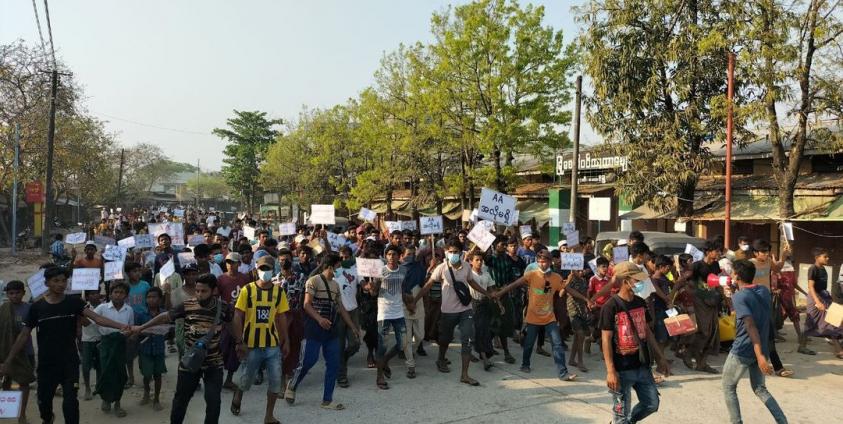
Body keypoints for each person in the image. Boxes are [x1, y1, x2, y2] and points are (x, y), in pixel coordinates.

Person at [0, 266, 131, 424]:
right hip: (47, 364)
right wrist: (8, 361)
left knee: (71, 403)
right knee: (44, 402)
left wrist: (124, 326)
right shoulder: (37, 307)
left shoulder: (74, 302)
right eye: (56, 281)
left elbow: (97, 319)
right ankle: (48, 418)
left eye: (64, 280)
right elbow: (24, 335)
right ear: (46, 283)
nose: (61, 284)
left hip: (69, 362)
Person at [131, 273, 234, 424]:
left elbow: (231, 324)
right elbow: (165, 317)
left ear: (214, 291)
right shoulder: (187, 305)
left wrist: (240, 342)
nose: (199, 294)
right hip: (189, 362)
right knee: (181, 400)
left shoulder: (223, 308)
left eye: (203, 291)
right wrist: (141, 327)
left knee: (213, 402)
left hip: (214, 363)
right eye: (197, 290)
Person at [285, 254, 362, 410]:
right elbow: (307, 304)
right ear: (330, 267)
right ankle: (292, 385)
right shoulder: (313, 281)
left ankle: (327, 400)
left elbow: (341, 308)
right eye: (338, 266)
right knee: (309, 360)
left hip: (331, 329)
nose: (340, 269)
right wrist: (319, 319)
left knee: (333, 363)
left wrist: (353, 327)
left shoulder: (335, 285)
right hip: (314, 329)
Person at [600, 262, 670, 424]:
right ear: (625, 281)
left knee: (652, 404)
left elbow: (647, 332)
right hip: (621, 369)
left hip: (642, 365)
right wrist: (610, 371)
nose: (640, 283)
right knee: (621, 416)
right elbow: (606, 339)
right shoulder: (610, 307)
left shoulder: (640, 302)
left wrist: (660, 358)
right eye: (637, 280)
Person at [414, 239, 491, 386]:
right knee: (445, 339)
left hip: (465, 309)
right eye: (450, 252)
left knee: (467, 340)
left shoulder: (467, 266)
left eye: (456, 252)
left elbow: (471, 282)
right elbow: (428, 285)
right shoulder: (441, 268)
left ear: (461, 253)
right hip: (448, 311)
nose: (453, 254)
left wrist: (487, 293)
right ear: (446, 252)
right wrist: (415, 300)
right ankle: (441, 358)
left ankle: (465, 375)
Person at [493, 251, 578, 381]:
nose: (542, 264)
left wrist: (586, 299)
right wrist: (499, 293)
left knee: (557, 344)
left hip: (549, 317)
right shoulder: (532, 274)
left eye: (544, 261)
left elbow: (566, 290)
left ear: (550, 262)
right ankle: (525, 365)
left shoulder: (556, 277)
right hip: (533, 317)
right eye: (539, 262)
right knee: (529, 344)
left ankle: (563, 373)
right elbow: (515, 284)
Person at [722, 260, 788, 424]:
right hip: (762, 347)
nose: (731, 275)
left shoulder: (739, 297)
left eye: (733, 272)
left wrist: (759, 356)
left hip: (744, 349)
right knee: (760, 389)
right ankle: (782, 421)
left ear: (737, 276)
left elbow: (750, 325)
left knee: (728, 387)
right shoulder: (763, 290)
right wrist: (761, 355)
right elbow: (751, 299)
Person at [230, 255, 290, 423]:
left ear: (273, 270)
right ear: (256, 270)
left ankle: (269, 416)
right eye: (262, 268)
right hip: (251, 345)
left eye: (268, 268)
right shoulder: (247, 290)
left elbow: (282, 317)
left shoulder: (279, 292)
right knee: (246, 380)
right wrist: (239, 341)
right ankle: (239, 393)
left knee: (275, 381)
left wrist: (286, 340)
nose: (265, 271)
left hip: (272, 345)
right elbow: (237, 315)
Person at [94, 282, 135, 417]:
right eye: (115, 292)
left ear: (126, 296)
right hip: (106, 343)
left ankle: (117, 403)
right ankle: (106, 399)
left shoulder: (129, 310)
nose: (118, 295)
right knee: (106, 372)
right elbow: (91, 321)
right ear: (110, 294)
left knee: (120, 375)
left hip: (120, 344)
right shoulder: (102, 308)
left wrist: (129, 335)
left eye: (121, 292)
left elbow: (130, 327)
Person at [370, 245, 407, 390]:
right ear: (386, 256)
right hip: (384, 313)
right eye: (389, 254)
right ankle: (379, 376)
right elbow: (374, 293)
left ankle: (384, 361)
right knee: (382, 346)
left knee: (402, 344)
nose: (391, 257)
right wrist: (372, 287)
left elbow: (403, 288)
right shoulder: (380, 271)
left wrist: (409, 302)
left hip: (399, 312)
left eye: (394, 254)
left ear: (399, 256)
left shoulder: (403, 270)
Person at [0, 281, 34, 424]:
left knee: (24, 383)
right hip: (5, 352)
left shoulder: (30, 309)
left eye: (17, 293)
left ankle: (22, 414)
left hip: (25, 352)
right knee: (5, 382)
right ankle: (6, 411)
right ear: (7, 294)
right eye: (11, 293)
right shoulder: (3, 309)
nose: (14, 296)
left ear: (23, 293)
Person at [217, 252, 251, 389]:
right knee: (222, 349)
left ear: (239, 264)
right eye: (228, 262)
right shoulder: (221, 279)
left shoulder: (245, 278)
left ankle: (229, 379)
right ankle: (217, 378)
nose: (230, 265)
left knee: (236, 350)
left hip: (241, 319)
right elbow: (216, 299)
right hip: (226, 320)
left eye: (233, 262)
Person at [804, 248, 843, 358]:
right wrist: (817, 302)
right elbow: (811, 287)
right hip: (815, 299)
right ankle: (802, 346)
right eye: (825, 256)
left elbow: (823, 287)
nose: (827, 258)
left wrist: (828, 299)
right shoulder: (813, 269)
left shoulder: (823, 269)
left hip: (824, 298)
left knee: (833, 321)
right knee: (811, 323)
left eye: (827, 256)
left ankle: (838, 349)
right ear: (817, 257)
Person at [484, 236, 517, 364]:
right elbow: (483, 257)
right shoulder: (490, 259)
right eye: (502, 244)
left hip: (504, 294)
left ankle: (506, 352)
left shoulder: (508, 259)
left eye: (505, 244)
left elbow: (511, 277)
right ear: (495, 245)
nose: (504, 247)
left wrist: (507, 286)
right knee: (494, 324)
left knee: (505, 323)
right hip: (492, 294)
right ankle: (484, 349)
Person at [135, 287, 167, 411]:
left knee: (158, 374)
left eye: (154, 297)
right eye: (149, 297)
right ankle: (147, 392)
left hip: (158, 349)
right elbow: (136, 331)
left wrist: (164, 331)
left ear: (160, 299)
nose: (151, 299)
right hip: (145, 349)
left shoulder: (164, 314)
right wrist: (144, 332)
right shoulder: (141, 314)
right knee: (147, 374)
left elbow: (169, 331)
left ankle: (157, 399)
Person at [335, 246, 361, 387]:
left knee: (355, 344)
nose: (344, 259)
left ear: (351, 257)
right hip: (338, 312)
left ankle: (343, 359)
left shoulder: (357, 270)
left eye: (346, 257)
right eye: (341, 257)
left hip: (353, 311)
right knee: (339, 345)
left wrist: (369, 286)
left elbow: (363, 284)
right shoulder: (334, 271)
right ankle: (341, 375)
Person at [400, 244, 426, 378]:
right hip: (403, 306)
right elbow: (398, 289)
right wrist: (407, 303)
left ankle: (411, 352)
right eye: (408, 254)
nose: (411, 256)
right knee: (406, 340)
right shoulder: (398, 270)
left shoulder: (420, 268)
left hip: (418, 303)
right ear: (402, 256)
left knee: (420, 335)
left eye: (413, 254)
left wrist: (414, 302)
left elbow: (424, 285)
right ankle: (410, 364)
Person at [468, 250, 496, 371]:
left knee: (489, 329)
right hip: (474, 303)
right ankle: (484, 358)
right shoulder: (468, 274)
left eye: (481, 260)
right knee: (479, 330)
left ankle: (484, 352)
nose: (479, 262)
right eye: (477, 260)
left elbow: (491, 289)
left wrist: (499, 303)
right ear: (471, 261)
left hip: (486, 303)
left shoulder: (486, 274)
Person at [124, 261, 150, 387]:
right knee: (129, 351)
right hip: (129, 320)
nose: (137, 273)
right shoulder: (124, 286)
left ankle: (146, 372)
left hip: (144, 320)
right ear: (128, 273)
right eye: (134, 271)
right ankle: (131, 377)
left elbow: (150, 300)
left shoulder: (145, 285)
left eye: (139, 271)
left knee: (144, 348)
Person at [80, 289, 103, 400]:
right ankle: (87, 388)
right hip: (87, 340)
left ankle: (98, 386)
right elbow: (84, 324)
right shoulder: (84, 308)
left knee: (100, 365)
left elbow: (88, 322)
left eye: (96, 293)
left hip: (101, 339)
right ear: (87, 296)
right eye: (92, 294)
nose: (95, 296)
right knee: (85, 366)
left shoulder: (105, 307)